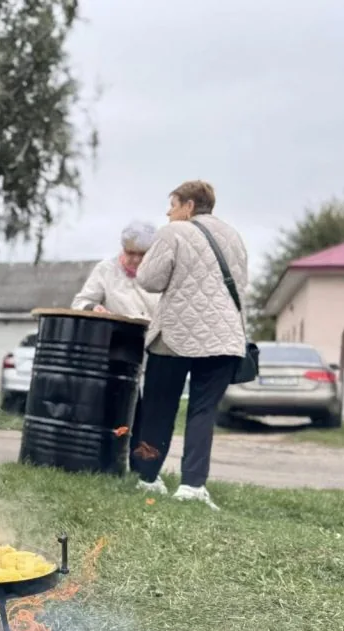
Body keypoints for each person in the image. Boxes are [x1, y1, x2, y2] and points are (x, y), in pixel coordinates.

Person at [130, 181, 249, 510]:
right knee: (202, 411)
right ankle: (193, 485)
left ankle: (148, 475)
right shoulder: (234, 236)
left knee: (158, 407)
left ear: (189, 206)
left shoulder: (174, 232)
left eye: (173, 204)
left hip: (176, 335)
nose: (168, 212)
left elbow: (149, 280)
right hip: (225, 337)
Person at [71, 220, 160, 472]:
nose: (133, 260)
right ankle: (108, 462)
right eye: (129, 253)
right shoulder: (106, 270)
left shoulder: (159, 274)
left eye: (140, 255)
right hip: (118, 349)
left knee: (149, 412)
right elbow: (81, 301)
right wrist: (93, 308)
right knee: (120, 407)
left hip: (152, 346)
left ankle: (144, 467)